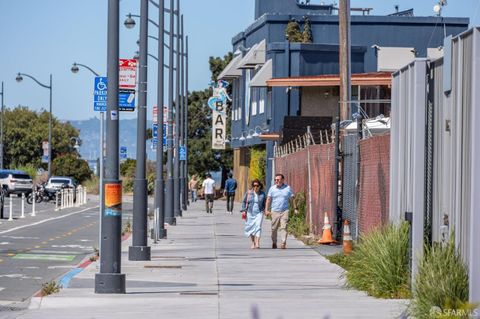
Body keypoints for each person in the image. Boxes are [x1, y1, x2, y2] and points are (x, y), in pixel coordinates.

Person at [265, 174, 298, 249]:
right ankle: (274, 242)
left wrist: (295, 208)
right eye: (275, 180)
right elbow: (268, 199)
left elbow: (292, 198)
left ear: (283, 180)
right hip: (274, 211)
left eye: (278, 179)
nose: (276, 181)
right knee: (274, 228)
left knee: (284, 227)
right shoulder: (272, 188)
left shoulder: (288, 188)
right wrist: (266, 210)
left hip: (284, 211)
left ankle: (283, 243)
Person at [241, 179, 266, 249]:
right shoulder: (249, 193)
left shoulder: (263, 194)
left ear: (260, 186)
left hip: (259, 212)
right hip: (250, 212)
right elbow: (243, 202)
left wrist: (265, 210)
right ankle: (253, 242)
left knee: (258, 226)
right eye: (254, 185)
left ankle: (257, 242)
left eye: (257, 186)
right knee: (251, 227)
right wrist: (243, 210)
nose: (255, 187)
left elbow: (265, 203)